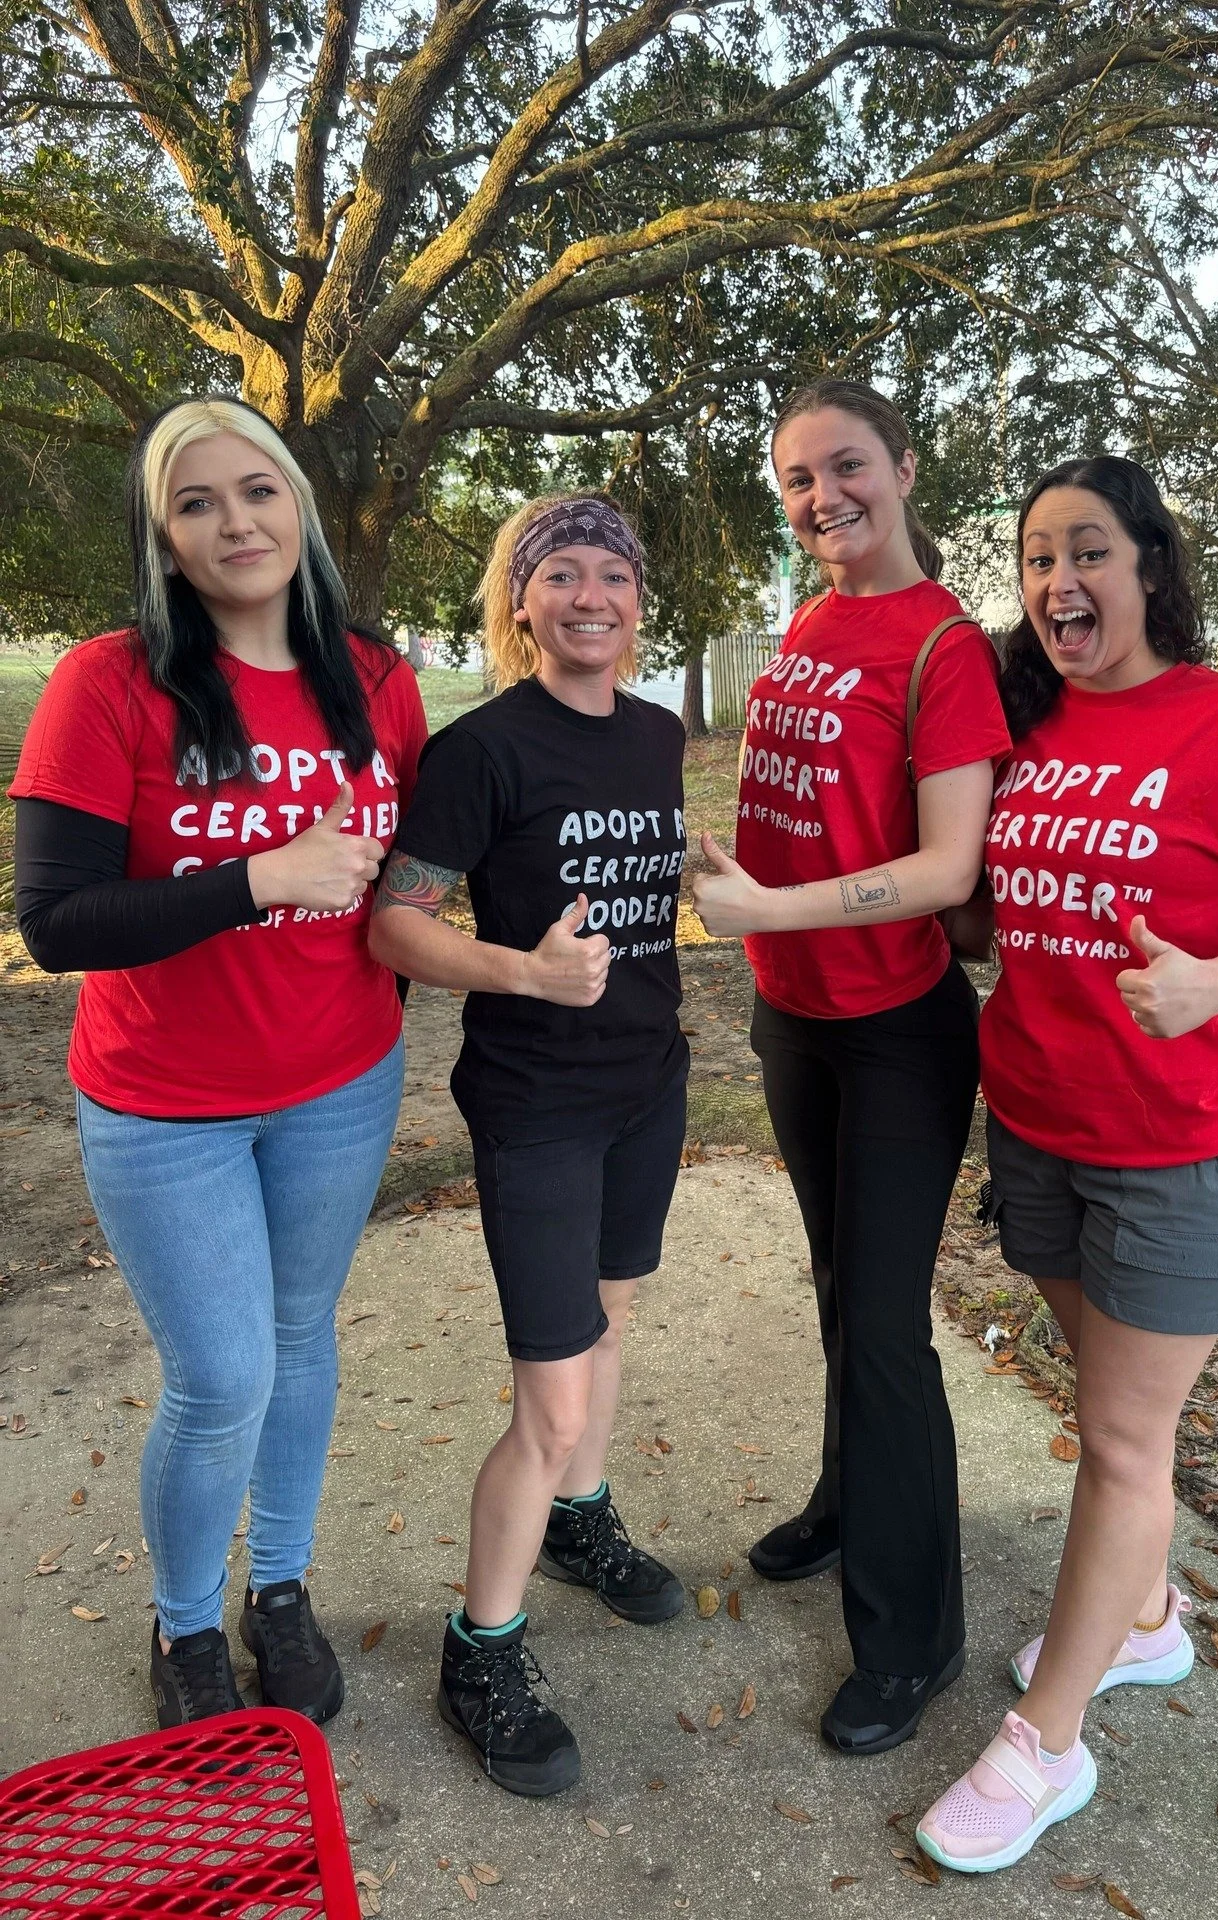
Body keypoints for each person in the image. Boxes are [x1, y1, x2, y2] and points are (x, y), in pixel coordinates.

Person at [913, 456, 1218, 1873]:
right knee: (1109, 1398)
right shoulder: (1027, 729)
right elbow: (988, 906)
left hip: (1181, 1138)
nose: (1060, 582)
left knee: (1121, 1440)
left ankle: (1046, 1745)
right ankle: (1150, 1616)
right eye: (1040, 557)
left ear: (1153, 569)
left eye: (1090, 552)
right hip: (1039, 1119)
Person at [10, 397, 427, 1730]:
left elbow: (403, 886)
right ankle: (187, 1627)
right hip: (163, 1106)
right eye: (195, 504)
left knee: (301, 1342)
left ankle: (283, 1591)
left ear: (296, 503)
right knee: (223, 1375)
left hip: (340, 1083)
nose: (233, 521)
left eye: (256, 491)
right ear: (164, 539)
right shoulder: (108, 682)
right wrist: (257, 877)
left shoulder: (375, 679)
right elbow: (55, 921)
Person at [692, 377, 1012, 1755]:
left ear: (904, 464)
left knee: (886, 1325)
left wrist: (770, 909)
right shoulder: (815, 618)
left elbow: (948, 867)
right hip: (795, 1013)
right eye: (798, 480)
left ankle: (914, 1640)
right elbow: (809, 811)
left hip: (894, 1031)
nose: (823, 498)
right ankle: (847, 1499)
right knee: (837, 1289)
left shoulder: (944, 647)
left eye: (846, 469)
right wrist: (730, 874)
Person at [369, 493, 689, 1797]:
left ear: (638, 602)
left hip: (648, 1088)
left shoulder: (661, 734)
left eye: (614, 573)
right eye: (563, 574)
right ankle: (478, 1647)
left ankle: (579, 1524)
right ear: (522, 601)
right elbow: (396, 926)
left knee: (608, 1329)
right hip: (539, 1107)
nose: (592, 596)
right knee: (549, 1405)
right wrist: (522, 972)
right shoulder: (481, 751)